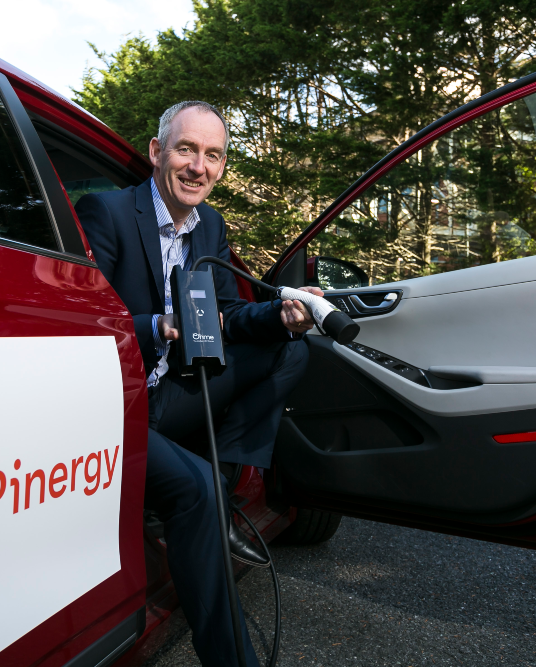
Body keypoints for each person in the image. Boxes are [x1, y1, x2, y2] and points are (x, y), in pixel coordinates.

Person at [75, 100, 321, 666]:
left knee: (291, 352)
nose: (198, 167)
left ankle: (227, 489)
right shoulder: (107, 212)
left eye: (213, 156)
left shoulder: (210, 223)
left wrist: (281, 313)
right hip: (119, 404)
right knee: (194, 491)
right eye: (186, 149)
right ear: (159, 152)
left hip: (180, 391)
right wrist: (159, 325)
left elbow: (230, 315)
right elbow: (87, 326)